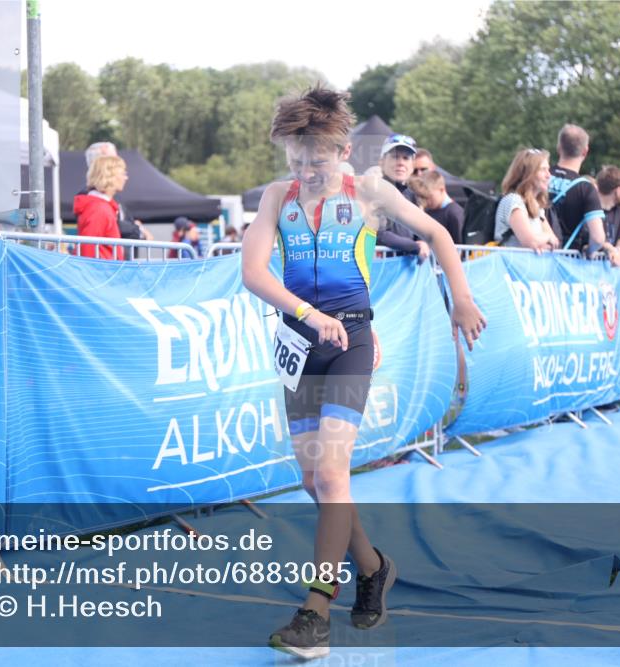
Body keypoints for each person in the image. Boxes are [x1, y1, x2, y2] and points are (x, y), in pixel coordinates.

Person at [241, 85, 486, 660]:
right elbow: (254, 273)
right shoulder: (279, 197)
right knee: (315, 483)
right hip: (301, 343)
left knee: (331, 475)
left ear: (344, 151)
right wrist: (306, 314)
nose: (307, 172)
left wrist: (462, 298)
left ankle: (315, 612)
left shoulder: (370, 191)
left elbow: (440, 234)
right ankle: (373, 569)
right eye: (296, 161)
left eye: (318, 162)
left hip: (351, 340)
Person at [548, 124, 620, 266]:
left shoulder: (540, 177)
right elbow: (598, 237)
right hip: (567, 263)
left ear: (559, 147)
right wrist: (590, 251)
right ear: (585, 151)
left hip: (533, 260)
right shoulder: (585, 188)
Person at [372, 134, 431, 261]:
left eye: (406, 158)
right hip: (379, 272)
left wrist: (422, 242)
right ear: (381, 162)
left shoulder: (411, 194)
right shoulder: (374, 191)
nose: (401, 163)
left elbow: (421, 230)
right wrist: (415, 247)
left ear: (412, 165)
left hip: (406, 275)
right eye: (395, 157)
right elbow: (378, 234)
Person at [84, 141, 153, 243]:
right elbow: (90, 248)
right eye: (113, 160)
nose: (125, 177)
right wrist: (138, 230)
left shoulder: (106, 202)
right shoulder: (95, 204)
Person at [492, 148, 560, 252]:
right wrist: (546, 238)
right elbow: (531, 242)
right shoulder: (513, 200)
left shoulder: (536, 205)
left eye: (548, 169)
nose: (549, 175)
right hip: (510, 266)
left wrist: (543, 242)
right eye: (543, 169)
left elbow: (555, 242)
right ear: (528, 174)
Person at [72, 155, 127, 260]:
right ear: (109, 176)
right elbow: (87, 250)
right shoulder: (99, 209)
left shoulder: (100, 206)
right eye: (123, 173)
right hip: (101, 273)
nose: (126, 178)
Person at [408, 170, 464, 244]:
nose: (425, 201)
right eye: (421, 197)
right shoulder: (427, 211)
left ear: (441, 190)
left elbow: (461, 247)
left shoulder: (455, 213)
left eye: (429, 196)